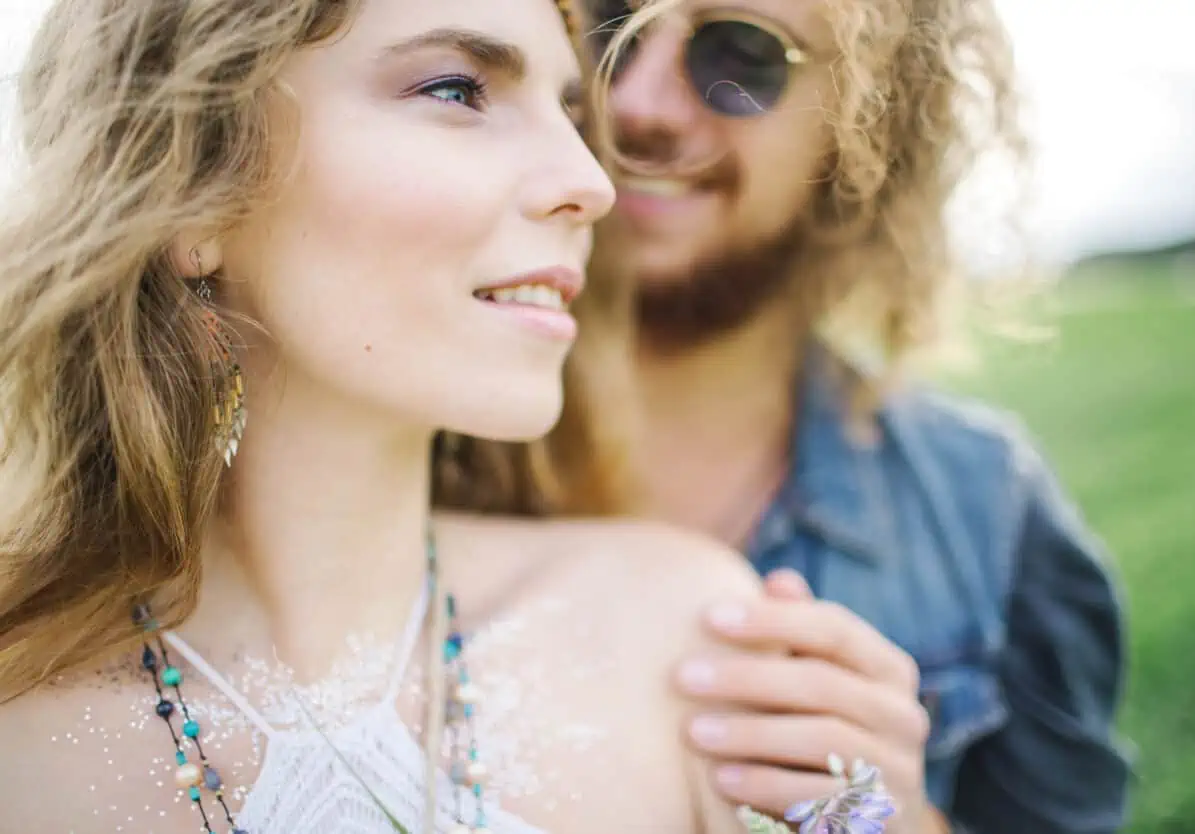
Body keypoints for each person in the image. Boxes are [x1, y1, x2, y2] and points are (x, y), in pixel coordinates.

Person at [0, 1, 854, 832]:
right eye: (457, 91)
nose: (592, 184)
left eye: (568, 112)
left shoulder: (681, 648)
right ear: (196, 197)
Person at [451, 1, 1136, 832]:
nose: (634, 104)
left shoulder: (988, 508)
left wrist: (900, 818)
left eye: (741, 55)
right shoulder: (408, 445)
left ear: (871, 124)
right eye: (611, 25)